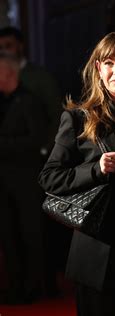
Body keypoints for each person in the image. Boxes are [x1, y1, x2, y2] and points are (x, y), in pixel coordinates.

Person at [38, 31, 115, 316]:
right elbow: (49, 177)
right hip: (97, 254)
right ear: (98, 68)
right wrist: (96, 170)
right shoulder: (78, 118)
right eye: (109, 63)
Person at [0, 52, 47, 304]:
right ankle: (15, 285)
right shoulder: (2, 101)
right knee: (8, 234)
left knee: (30, 234)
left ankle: (34, 286)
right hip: (3, 182)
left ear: (8, 74)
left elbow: (36, 139)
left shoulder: (29, 102)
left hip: (26, 180)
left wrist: (3, 144)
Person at [0, 26, 62, 158]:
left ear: (20, 46)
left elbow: (56, 115)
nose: (4, 50)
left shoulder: (40, 76)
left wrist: (47, 149)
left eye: (8, 45)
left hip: (35, 152)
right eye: (1, 47)